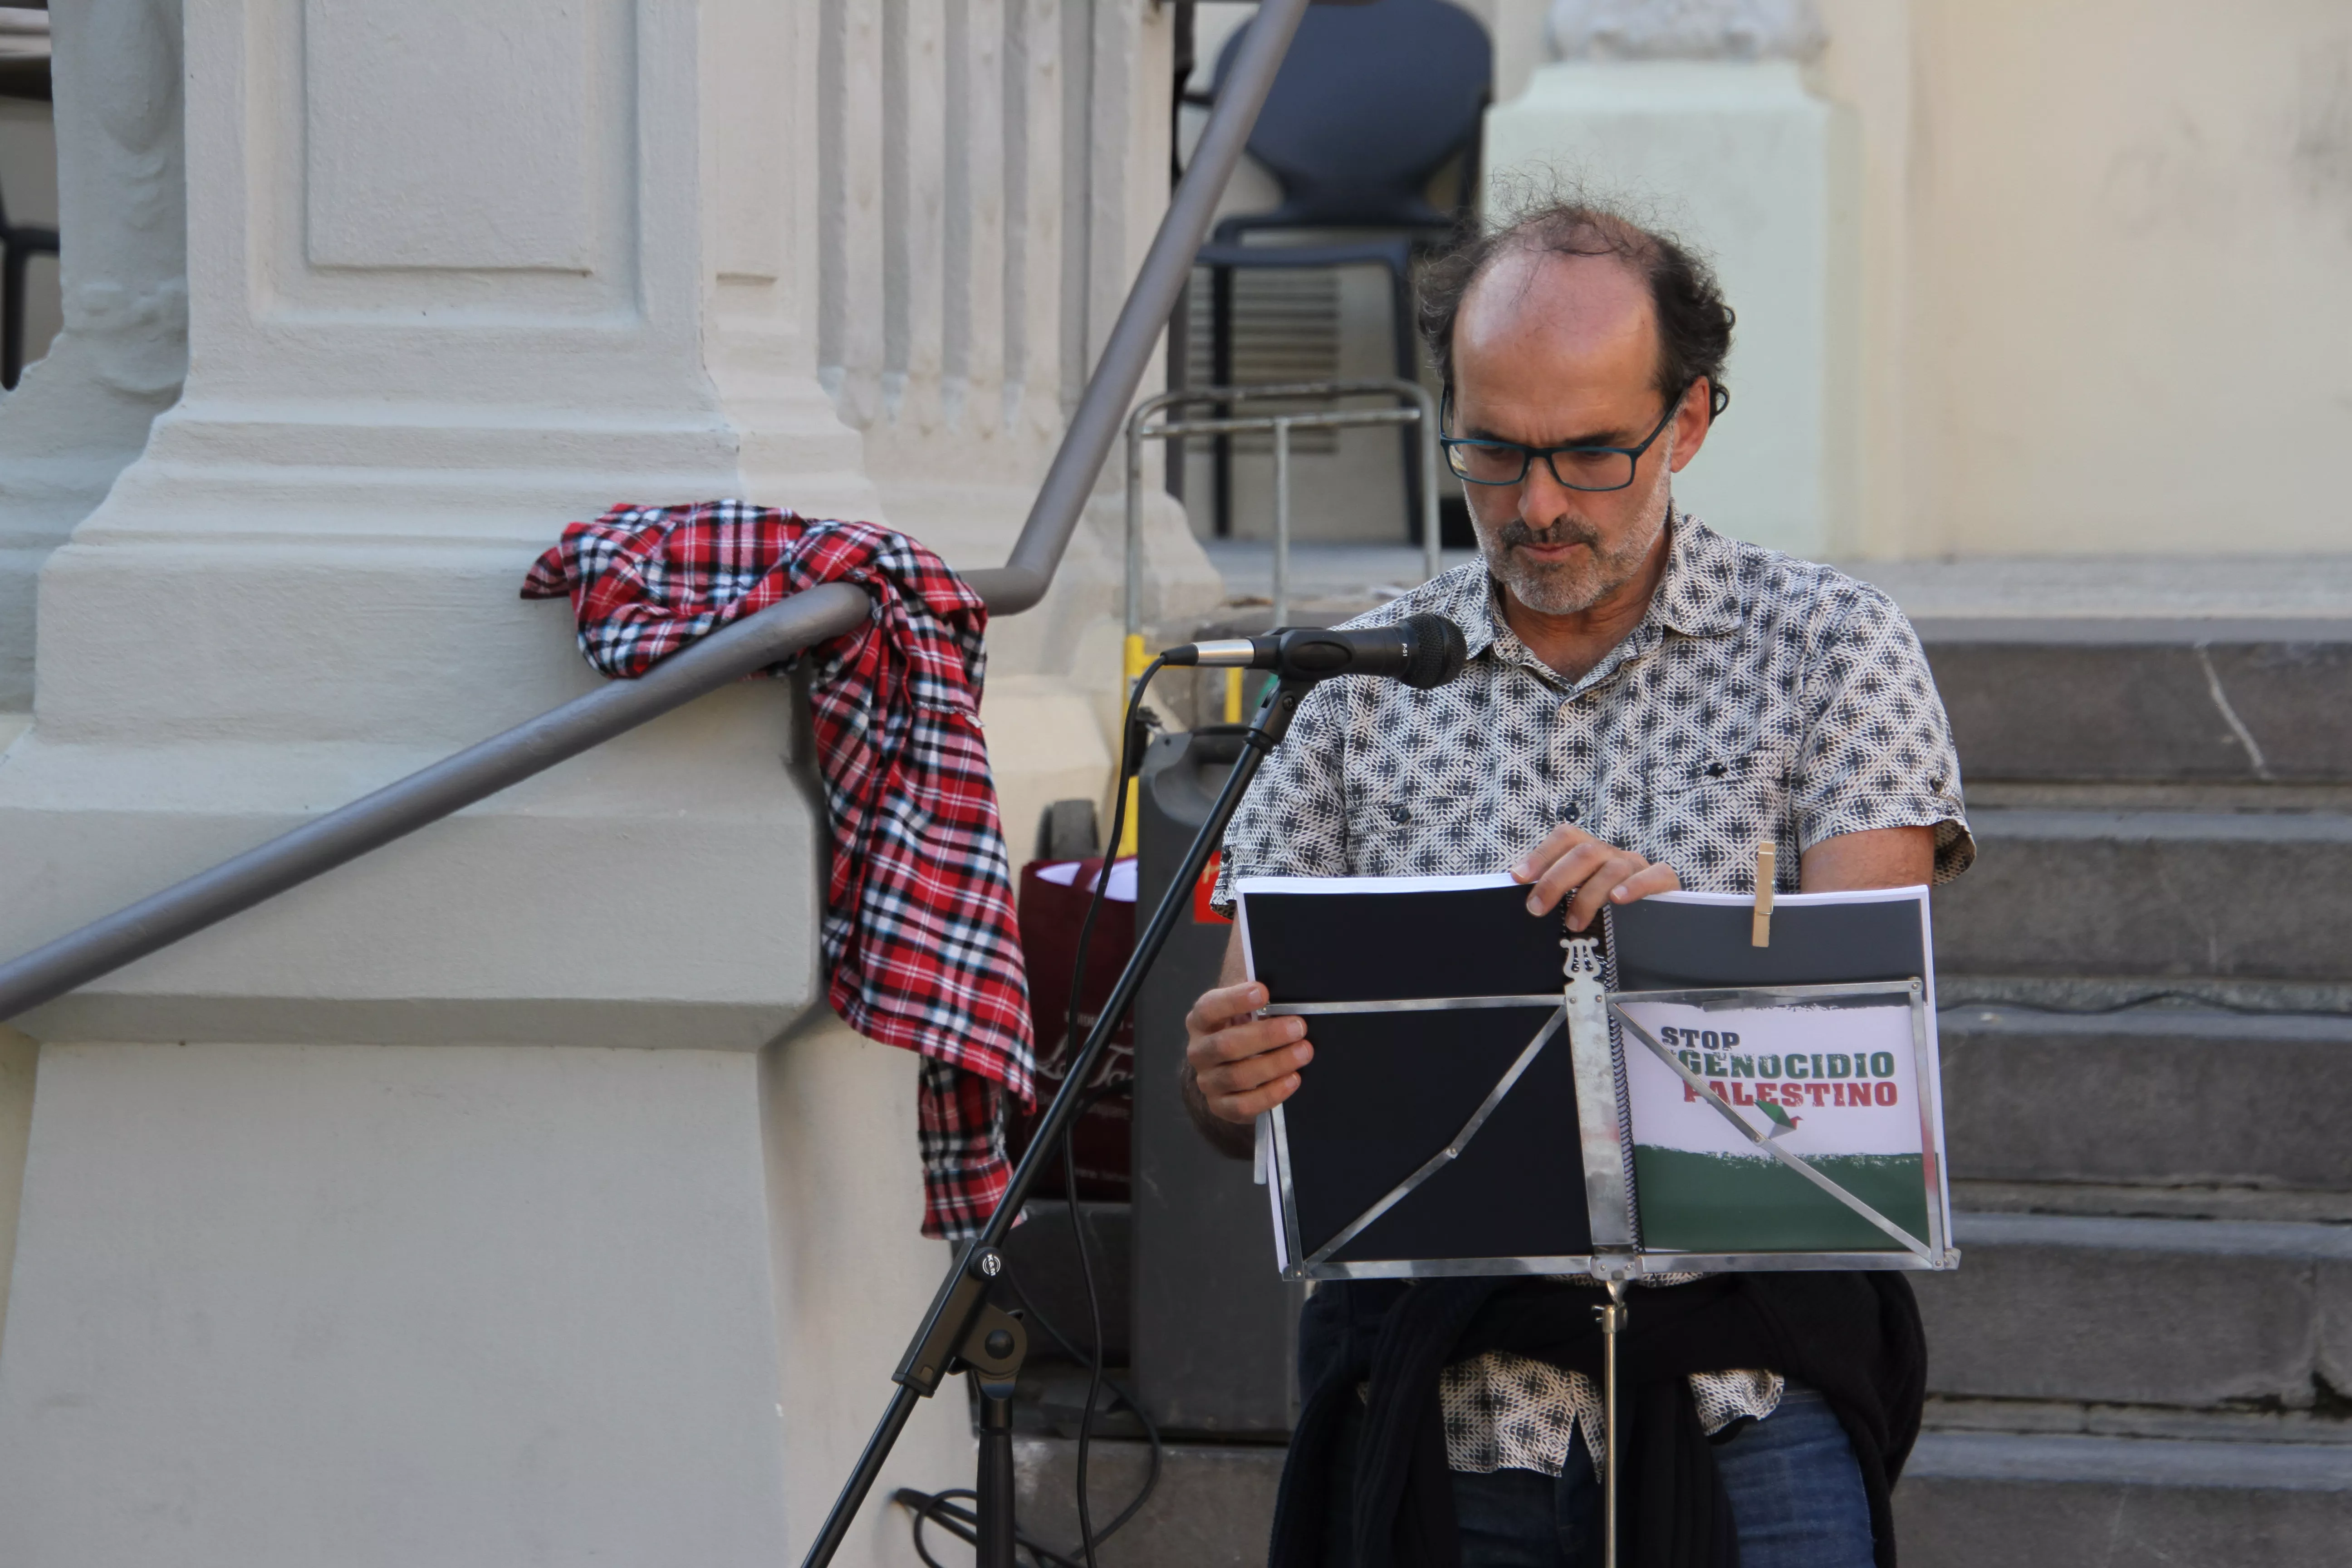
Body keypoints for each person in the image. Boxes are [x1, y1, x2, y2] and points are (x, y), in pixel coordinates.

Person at [1181, 199, 1973, 1568]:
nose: (1538, 505)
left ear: (1690, 421)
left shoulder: (1833, 651)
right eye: (1492, 451)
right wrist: (1224, 1082)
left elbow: (1863, 1072)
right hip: (1443, 1416)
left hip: (1748, 1406)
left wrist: (1673, 956)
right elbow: (1246, 1086)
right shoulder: (1353, 682)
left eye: (1594, 453)